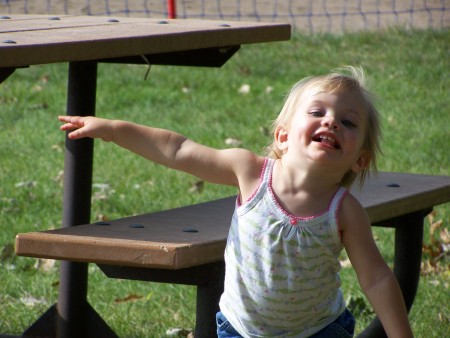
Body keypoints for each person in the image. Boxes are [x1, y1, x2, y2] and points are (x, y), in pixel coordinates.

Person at [58, 66, 413, 338]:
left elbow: (377, 278)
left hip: (318, 330)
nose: (332, 121)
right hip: (241, 329)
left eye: (348, 122)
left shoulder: (344, 210)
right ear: (283, 136)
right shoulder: (251, 173)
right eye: (317, 113)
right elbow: (177, 149)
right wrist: (111, 128)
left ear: (360, 160)